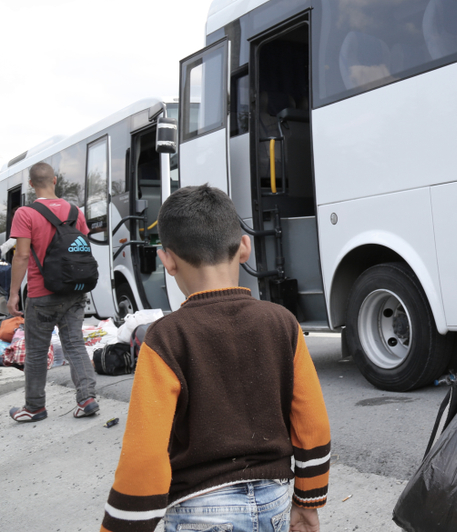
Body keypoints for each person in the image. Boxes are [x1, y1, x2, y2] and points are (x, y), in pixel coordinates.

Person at [99, 185, 331, 532]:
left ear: (168, 260)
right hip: (276, 501)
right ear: (244, 247)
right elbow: (312, 424)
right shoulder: (283, 323)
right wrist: (308, 500)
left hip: (200, 509)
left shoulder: (165, 337)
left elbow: (144, 456)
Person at [8, 162, 99, 423]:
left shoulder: (25, 213)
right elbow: (82, 249)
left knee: (37, 351)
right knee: (74, 343)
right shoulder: (75, 211)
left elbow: (22, 255)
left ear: (31, 184)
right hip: (74, 290)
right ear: (55, 180)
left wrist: (14, 294)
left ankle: (34, 407)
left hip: (41, 293)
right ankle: (87, 399)